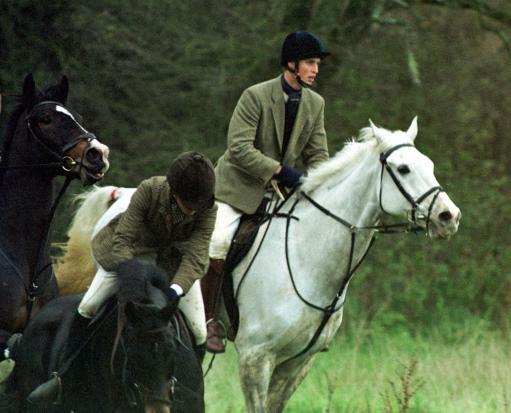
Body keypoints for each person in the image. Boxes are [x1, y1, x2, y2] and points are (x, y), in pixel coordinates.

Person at [28, 151, 217, 405]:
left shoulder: (207, 207)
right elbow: (123, 241)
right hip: (127, 256)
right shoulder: (149, 191)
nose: (194, 212)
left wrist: (174, 290)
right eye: (189, 204)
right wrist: (132, 281)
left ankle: (187, 389)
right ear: (173, 192)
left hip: (175, 265)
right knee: (87, 307)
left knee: (199, 331)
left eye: (199, 205)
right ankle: (63, 378)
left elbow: (195, 255)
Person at [202, 31, 330, 354]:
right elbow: (239, 148)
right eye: (310, 63)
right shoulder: (255, 96)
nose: (316, 69)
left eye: (316, 64)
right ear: (291, 63)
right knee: (217, 242)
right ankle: (209, 320)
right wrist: (282, 171)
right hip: (237, 189)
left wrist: (322, 183)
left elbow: (317, 156)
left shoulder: (315, 104)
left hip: (277, 194)